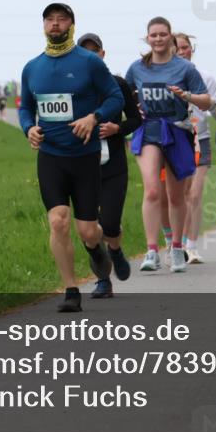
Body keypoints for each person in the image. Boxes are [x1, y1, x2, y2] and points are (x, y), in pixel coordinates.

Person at [19, 3, 124, 313]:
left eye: (61, 19)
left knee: (87, 230)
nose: (55, 24)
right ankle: (71, 289)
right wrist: (29, 129)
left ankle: (98, 247)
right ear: (43, 26)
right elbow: (25, 106)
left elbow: (115, 97)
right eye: (49, 19)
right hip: (51, 155)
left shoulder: (89, 62)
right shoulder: (32, 67)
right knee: (58, 220)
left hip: (85, 157)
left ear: (71, 26)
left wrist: (94, 117)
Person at [125, 17, 211, 273]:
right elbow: (123, 94)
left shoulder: (184, 69)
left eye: (163, 35)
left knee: (175, 196)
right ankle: (151, 251)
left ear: (170, 38)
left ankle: (176, 248)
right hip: (149, 130)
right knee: (152, 191)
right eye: (154, 35)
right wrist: (133, 109)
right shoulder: (137, 68)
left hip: (177, 131)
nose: (158, 39)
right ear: (147, 38)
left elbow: (205, 101)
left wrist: (187, 96)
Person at [78, 32, 143, 299]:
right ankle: (103, 281)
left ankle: (115, 250)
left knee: (110, 223)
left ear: (103, 55)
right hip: (82, 165)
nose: (91, 56)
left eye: (96, 51)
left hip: (113, 164)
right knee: (89, 228)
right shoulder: (74, 89)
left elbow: (136, 120)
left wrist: (118, 128)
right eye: (86, 52)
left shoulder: (117, 84)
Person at [174, 32, 216, 263]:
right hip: (175, 140)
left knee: (194, 195)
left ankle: (191, 246)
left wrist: (209, 103)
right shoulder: (165, 77)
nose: (182, 52)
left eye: (185, 47)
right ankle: (175, 245)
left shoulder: (205, 77)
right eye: (177, 48)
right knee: (177, 196)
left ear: (191, 49)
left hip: (200, 139)